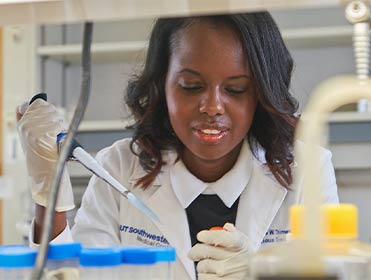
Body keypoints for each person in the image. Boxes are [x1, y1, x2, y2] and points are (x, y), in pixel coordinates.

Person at [17, 12, 338, 280]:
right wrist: (49, 197)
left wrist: (261, 273)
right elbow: (73, 275)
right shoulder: (117, 168)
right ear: (161, 86)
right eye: (191, 86)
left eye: (237, 89)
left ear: (261, 93)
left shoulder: (307, 170)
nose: (212, 107)